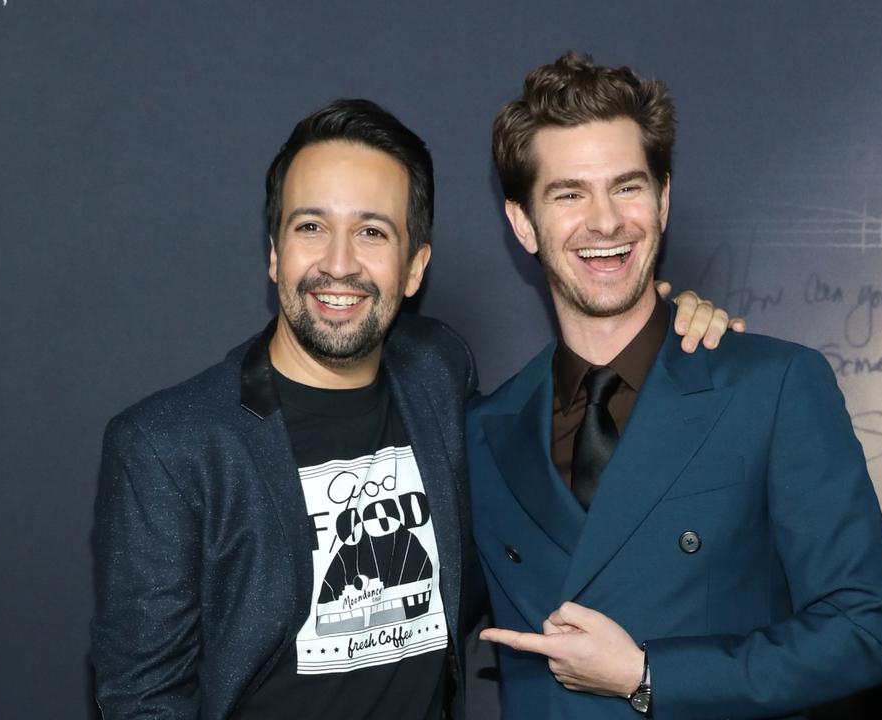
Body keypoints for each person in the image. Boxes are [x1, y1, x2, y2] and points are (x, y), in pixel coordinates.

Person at [90, 98, 736, 719]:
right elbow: (144, 699)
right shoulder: (167, 446)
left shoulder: (438, 371)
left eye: (372, 232)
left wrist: (660, 330)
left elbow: (546, 491)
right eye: (310, 227)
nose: (338, 265)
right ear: (274, 253)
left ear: (414, 267)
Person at [471, 53, 882, 719]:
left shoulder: (774, 388)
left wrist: (649, 676)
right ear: (524, 223)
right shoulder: (484, 431)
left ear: (663, 200)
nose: (605, 221)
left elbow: (863, 634)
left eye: (627, 187)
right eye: (569, 194)